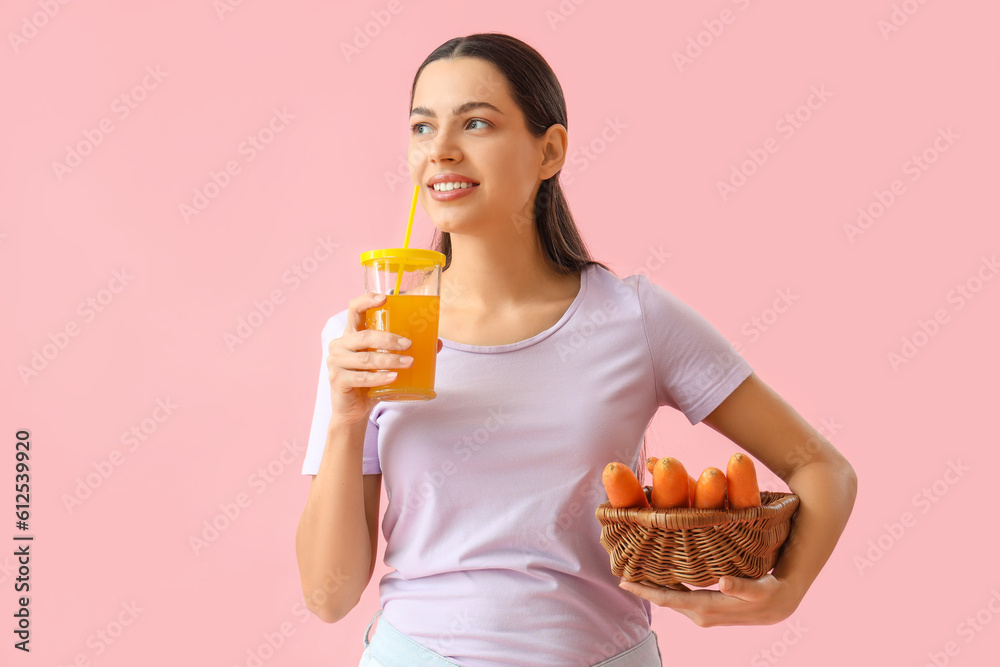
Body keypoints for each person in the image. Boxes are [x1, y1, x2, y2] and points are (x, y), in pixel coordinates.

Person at [296, 33, 857, 667]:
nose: (442, 151)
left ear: (550, 150)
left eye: (476, 122)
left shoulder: (632, 318)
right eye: (422, 128)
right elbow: (328, 594)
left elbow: (824, 470)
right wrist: (346, 421)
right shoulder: (367, 338)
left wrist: (785, 595)